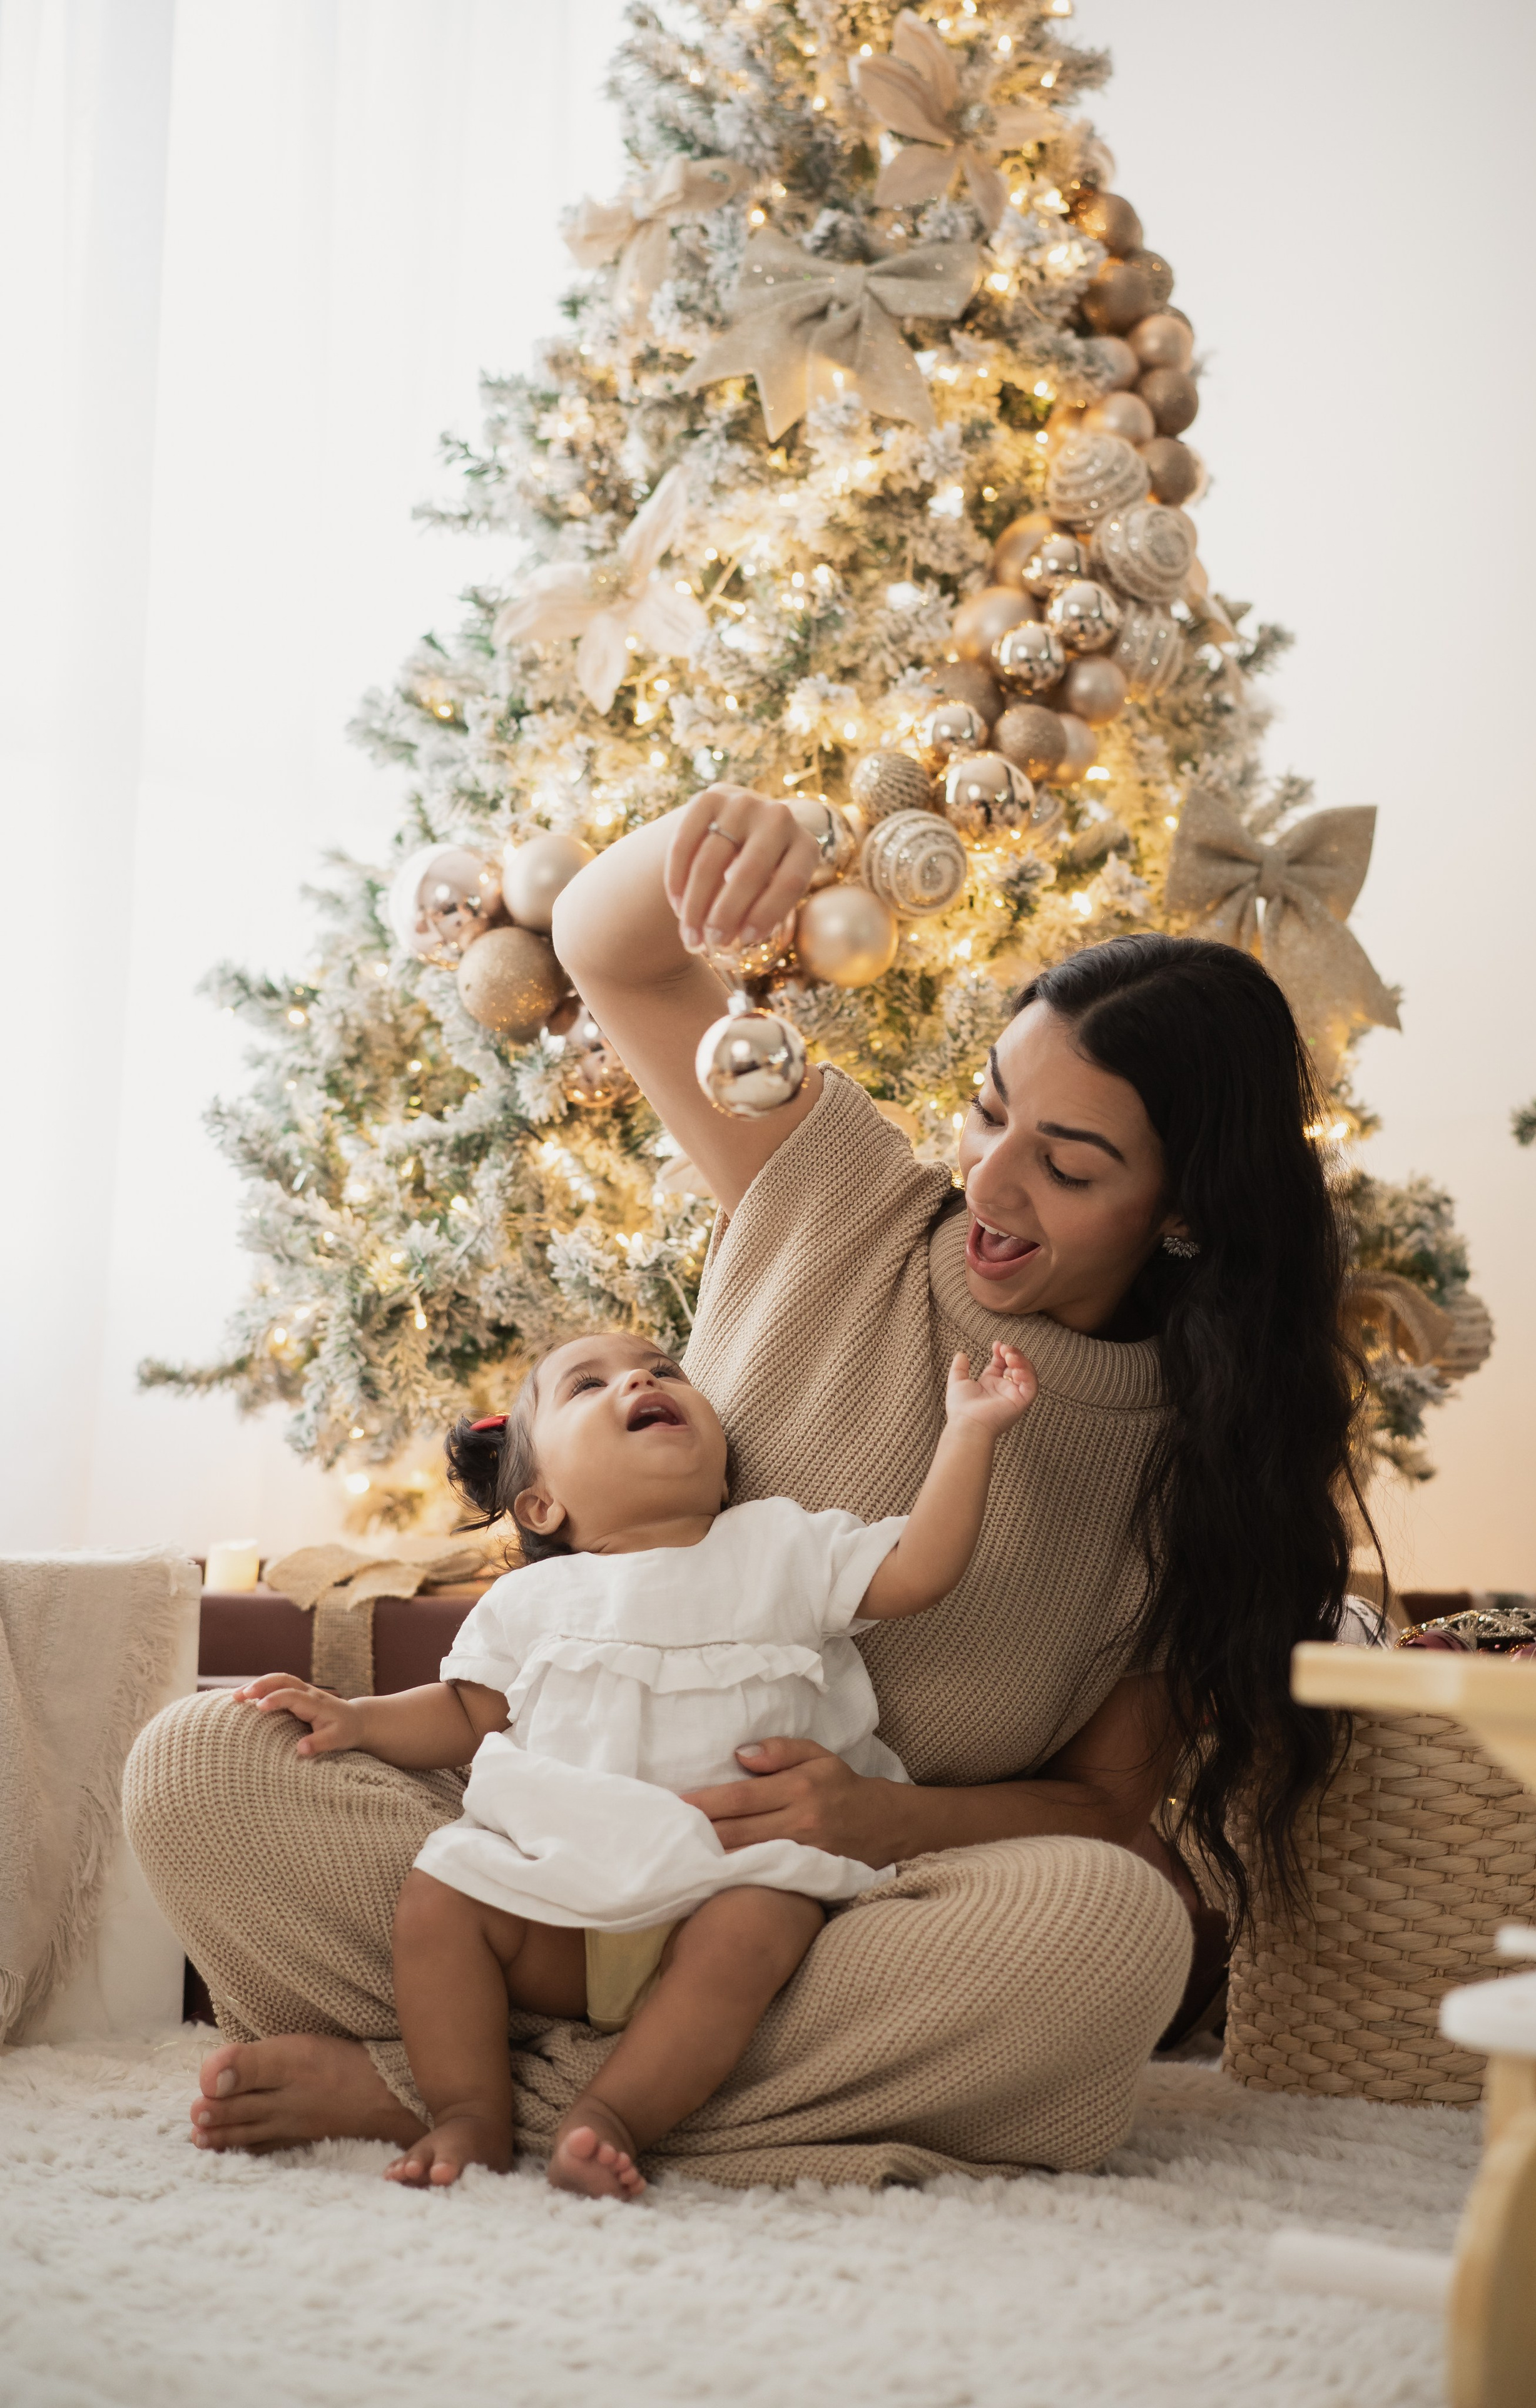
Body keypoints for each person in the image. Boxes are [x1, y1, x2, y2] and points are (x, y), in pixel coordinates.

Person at [125, 781, 1366, 2188]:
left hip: (830, 1930)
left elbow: (1103, 1813)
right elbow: (609, 944)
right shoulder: (833, 1197)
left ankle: (437, 2085)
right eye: (985, 1113)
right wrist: (738, 839)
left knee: (1109, 1933)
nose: (991, 1185)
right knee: (201, 1759)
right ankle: (630, 2101)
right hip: (542, 1863)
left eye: (1066, 1166)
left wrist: (878, 1817)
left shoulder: (1182, 1469)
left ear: (1184, 1212)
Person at [232, 1325, 1035, 2195]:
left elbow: (920, 1569)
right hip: (563, 1907)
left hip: (729, 1884)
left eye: (661, 1371)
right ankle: (469, 2112)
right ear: (541, 1506)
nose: (639, 1381)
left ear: (722, 1468)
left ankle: (610, 2115)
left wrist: (970, 1430)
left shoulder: (779, 1545)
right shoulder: (531, 1598)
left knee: (763, 1920)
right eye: (588, 1385)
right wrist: (356, 1719)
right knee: (441, 1897)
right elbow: (467, 1711)